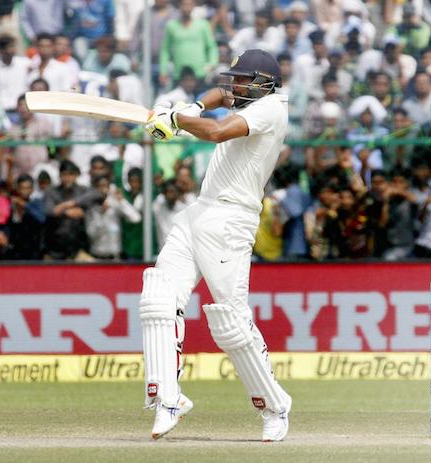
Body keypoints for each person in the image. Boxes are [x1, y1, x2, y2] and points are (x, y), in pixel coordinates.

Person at [142, 49, 291, 441]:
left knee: (229, 321)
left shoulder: (272, 108)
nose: (236, 86)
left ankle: (275, 406)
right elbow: (220, 97)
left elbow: (217, 132)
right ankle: (168, 400)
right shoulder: (247, 97)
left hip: (232, 220)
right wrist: (190, 105)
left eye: (244, 80)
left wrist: (177, 119)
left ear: (265, 83)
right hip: (200, 210)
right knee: (158, 298)